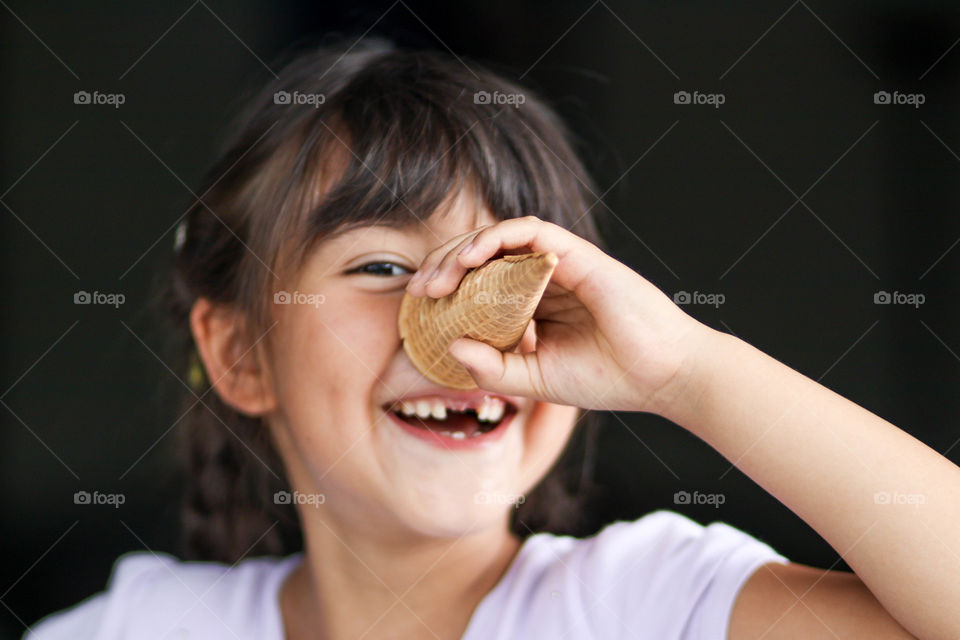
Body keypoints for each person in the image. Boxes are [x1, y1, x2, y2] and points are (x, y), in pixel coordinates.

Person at [26, 38, 958, 640]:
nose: (463, 334)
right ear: (239, 353)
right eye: (382, 267)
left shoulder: (651, 603)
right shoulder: (140, 625)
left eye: (505, 273)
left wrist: (686, 371)